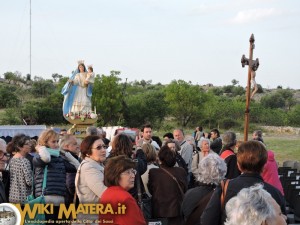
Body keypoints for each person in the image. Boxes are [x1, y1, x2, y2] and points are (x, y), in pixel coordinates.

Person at [201, 140, 286, 225]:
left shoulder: (225, 187)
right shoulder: (275, 193)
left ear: (238, 165)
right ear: (264, 166)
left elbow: (207, 220)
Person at [33, 129, 78, 224]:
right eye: (53, 141)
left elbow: (78, 167)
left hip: (60, 200)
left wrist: (66, 154)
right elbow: (46, 158)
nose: (57, 144)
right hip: (45, 199)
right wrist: (41, 148)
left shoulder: (60, 158)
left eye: (58, 141)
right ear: (44, 143)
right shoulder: (38, 157)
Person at [99, 155, 146, 225]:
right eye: (128, 172)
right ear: (116, 175)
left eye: (133, 171)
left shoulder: (107, 193)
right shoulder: (125, 198)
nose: (133, 175)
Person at [182, 154, 227, 225]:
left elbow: (184, 215)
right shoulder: (225, 194)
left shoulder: (189, 193)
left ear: (201, 171)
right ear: (223, 171)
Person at [148, 145, 188, 225]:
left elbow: (151, 190)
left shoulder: (154, 172)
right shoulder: (181, 171)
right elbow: (185, 189)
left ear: (160, 159)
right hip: (177, 211)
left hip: (160, 211)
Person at [75, 135, 107, 224]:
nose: (103, 150)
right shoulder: (89, 168)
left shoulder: (97, 165)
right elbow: (104, 193)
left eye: (104, 146)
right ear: (88, 152)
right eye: (99, 147)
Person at [107, 133, 147, 200]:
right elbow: (143, 165)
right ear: (129, 146)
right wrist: (139, 148)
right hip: (133, 198)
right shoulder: (133, 162)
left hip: (115, 197)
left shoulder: (109, 162)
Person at [6, 134, 32, 204]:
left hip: (12, 197)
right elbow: (29, 182)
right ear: (19, 147)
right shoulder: (24, 161)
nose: (30, 145)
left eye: (30, 143)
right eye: (27, 144)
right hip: (24, 198)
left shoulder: (12, 159)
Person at [59, 134, 80, 206]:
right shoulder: (67, 159)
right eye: (74, 144)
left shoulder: (70, 158)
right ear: (66, 146)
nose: (77, 146)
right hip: (69, 201)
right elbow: (71, 184)